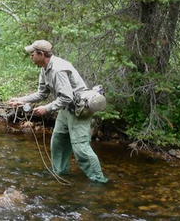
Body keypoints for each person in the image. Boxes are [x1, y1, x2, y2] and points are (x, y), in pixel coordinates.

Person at [8, 39, 108, 183]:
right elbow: (42, 94)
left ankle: (99, 181)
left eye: (32, 54)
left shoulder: (58, 70)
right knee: (58, 142)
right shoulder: (44, 68)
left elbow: (67, 97)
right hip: (65, 110)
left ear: (41, 54)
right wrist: (22, 100)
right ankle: (60, 174)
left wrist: (46, 108)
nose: (31, 57)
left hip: (78, 111)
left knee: (81, 149)